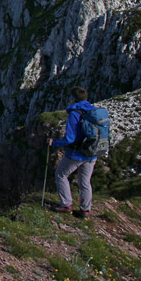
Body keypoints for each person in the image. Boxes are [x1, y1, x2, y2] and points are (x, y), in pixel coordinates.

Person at [49, 86, 97, 218]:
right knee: (85, 181)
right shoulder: (94, 111)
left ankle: (65, 204)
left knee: (61, 174)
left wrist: (55, 143)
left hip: (77, 153)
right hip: (92, 152)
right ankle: (85, 210)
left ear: (73, 99)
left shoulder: (74, 113)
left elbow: (70, 138)